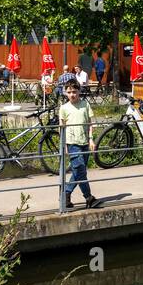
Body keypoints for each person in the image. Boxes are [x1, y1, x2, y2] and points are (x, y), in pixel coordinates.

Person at [58, 80, 100, 210]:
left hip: (84, 142)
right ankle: (89, 198)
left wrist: (91, 139)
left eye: (74, 92)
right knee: (80, 169)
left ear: (79, 92)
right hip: (72, 143)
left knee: (79, 172)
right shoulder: (64, 108)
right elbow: (62, 128)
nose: (72, 95)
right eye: (69, 92)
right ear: (66, 93)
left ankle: (65, 195)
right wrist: (63, 145)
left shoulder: (85, 105)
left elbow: (89, 123)